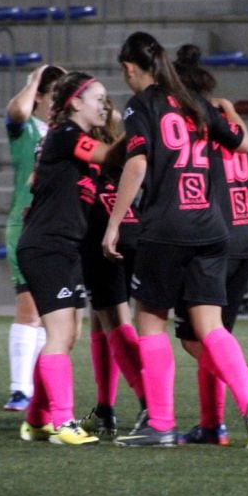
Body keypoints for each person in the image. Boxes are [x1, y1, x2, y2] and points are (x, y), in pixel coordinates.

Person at [102, 31, 248, 449]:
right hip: (213, 228)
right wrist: (227, 112)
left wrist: (115, 223)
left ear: (129, 68)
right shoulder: (194, 103)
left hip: (167, 226)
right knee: (210, 326)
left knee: (150, 321)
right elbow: (243, 143)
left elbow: (137, 165)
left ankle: (160, 424)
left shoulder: (142, 104)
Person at [172, 44, 248, 445]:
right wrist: (229, 109)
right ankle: (210, 425)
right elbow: (246, 144)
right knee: (215, 335)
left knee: (193, 336)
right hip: (244, 235)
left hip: (213, 237)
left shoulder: (192, 127)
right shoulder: (226, 120)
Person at [16, 72, 114, 446]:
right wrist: (142, 138)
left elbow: (37, 183)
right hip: (47, 247)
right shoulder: (69, 135)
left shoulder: (69, 141)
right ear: (75, 103)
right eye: (98, 98)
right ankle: (62, 424)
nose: (104, 105)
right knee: (59, 334)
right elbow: (106, 154)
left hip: (64, 247)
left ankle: (38, 419)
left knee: (67, 334)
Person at [77, 100, 147, 437]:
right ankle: (104, 408)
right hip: (132, 229)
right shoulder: (119, 153)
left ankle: (150, 403)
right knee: (101, 318)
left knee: (115, 318)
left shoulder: (82, 149)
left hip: (101, 234)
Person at [3, 64, 65, 411]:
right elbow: (17, 110)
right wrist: (33, 80)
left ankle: (38, 387)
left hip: (60, 227)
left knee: (52, 314)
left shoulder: (69, 131)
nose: (58, 102)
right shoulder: (26, 129)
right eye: (52, 94)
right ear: (40, 97)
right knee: (29, 309)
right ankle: (20, 389)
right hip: (26, 224)